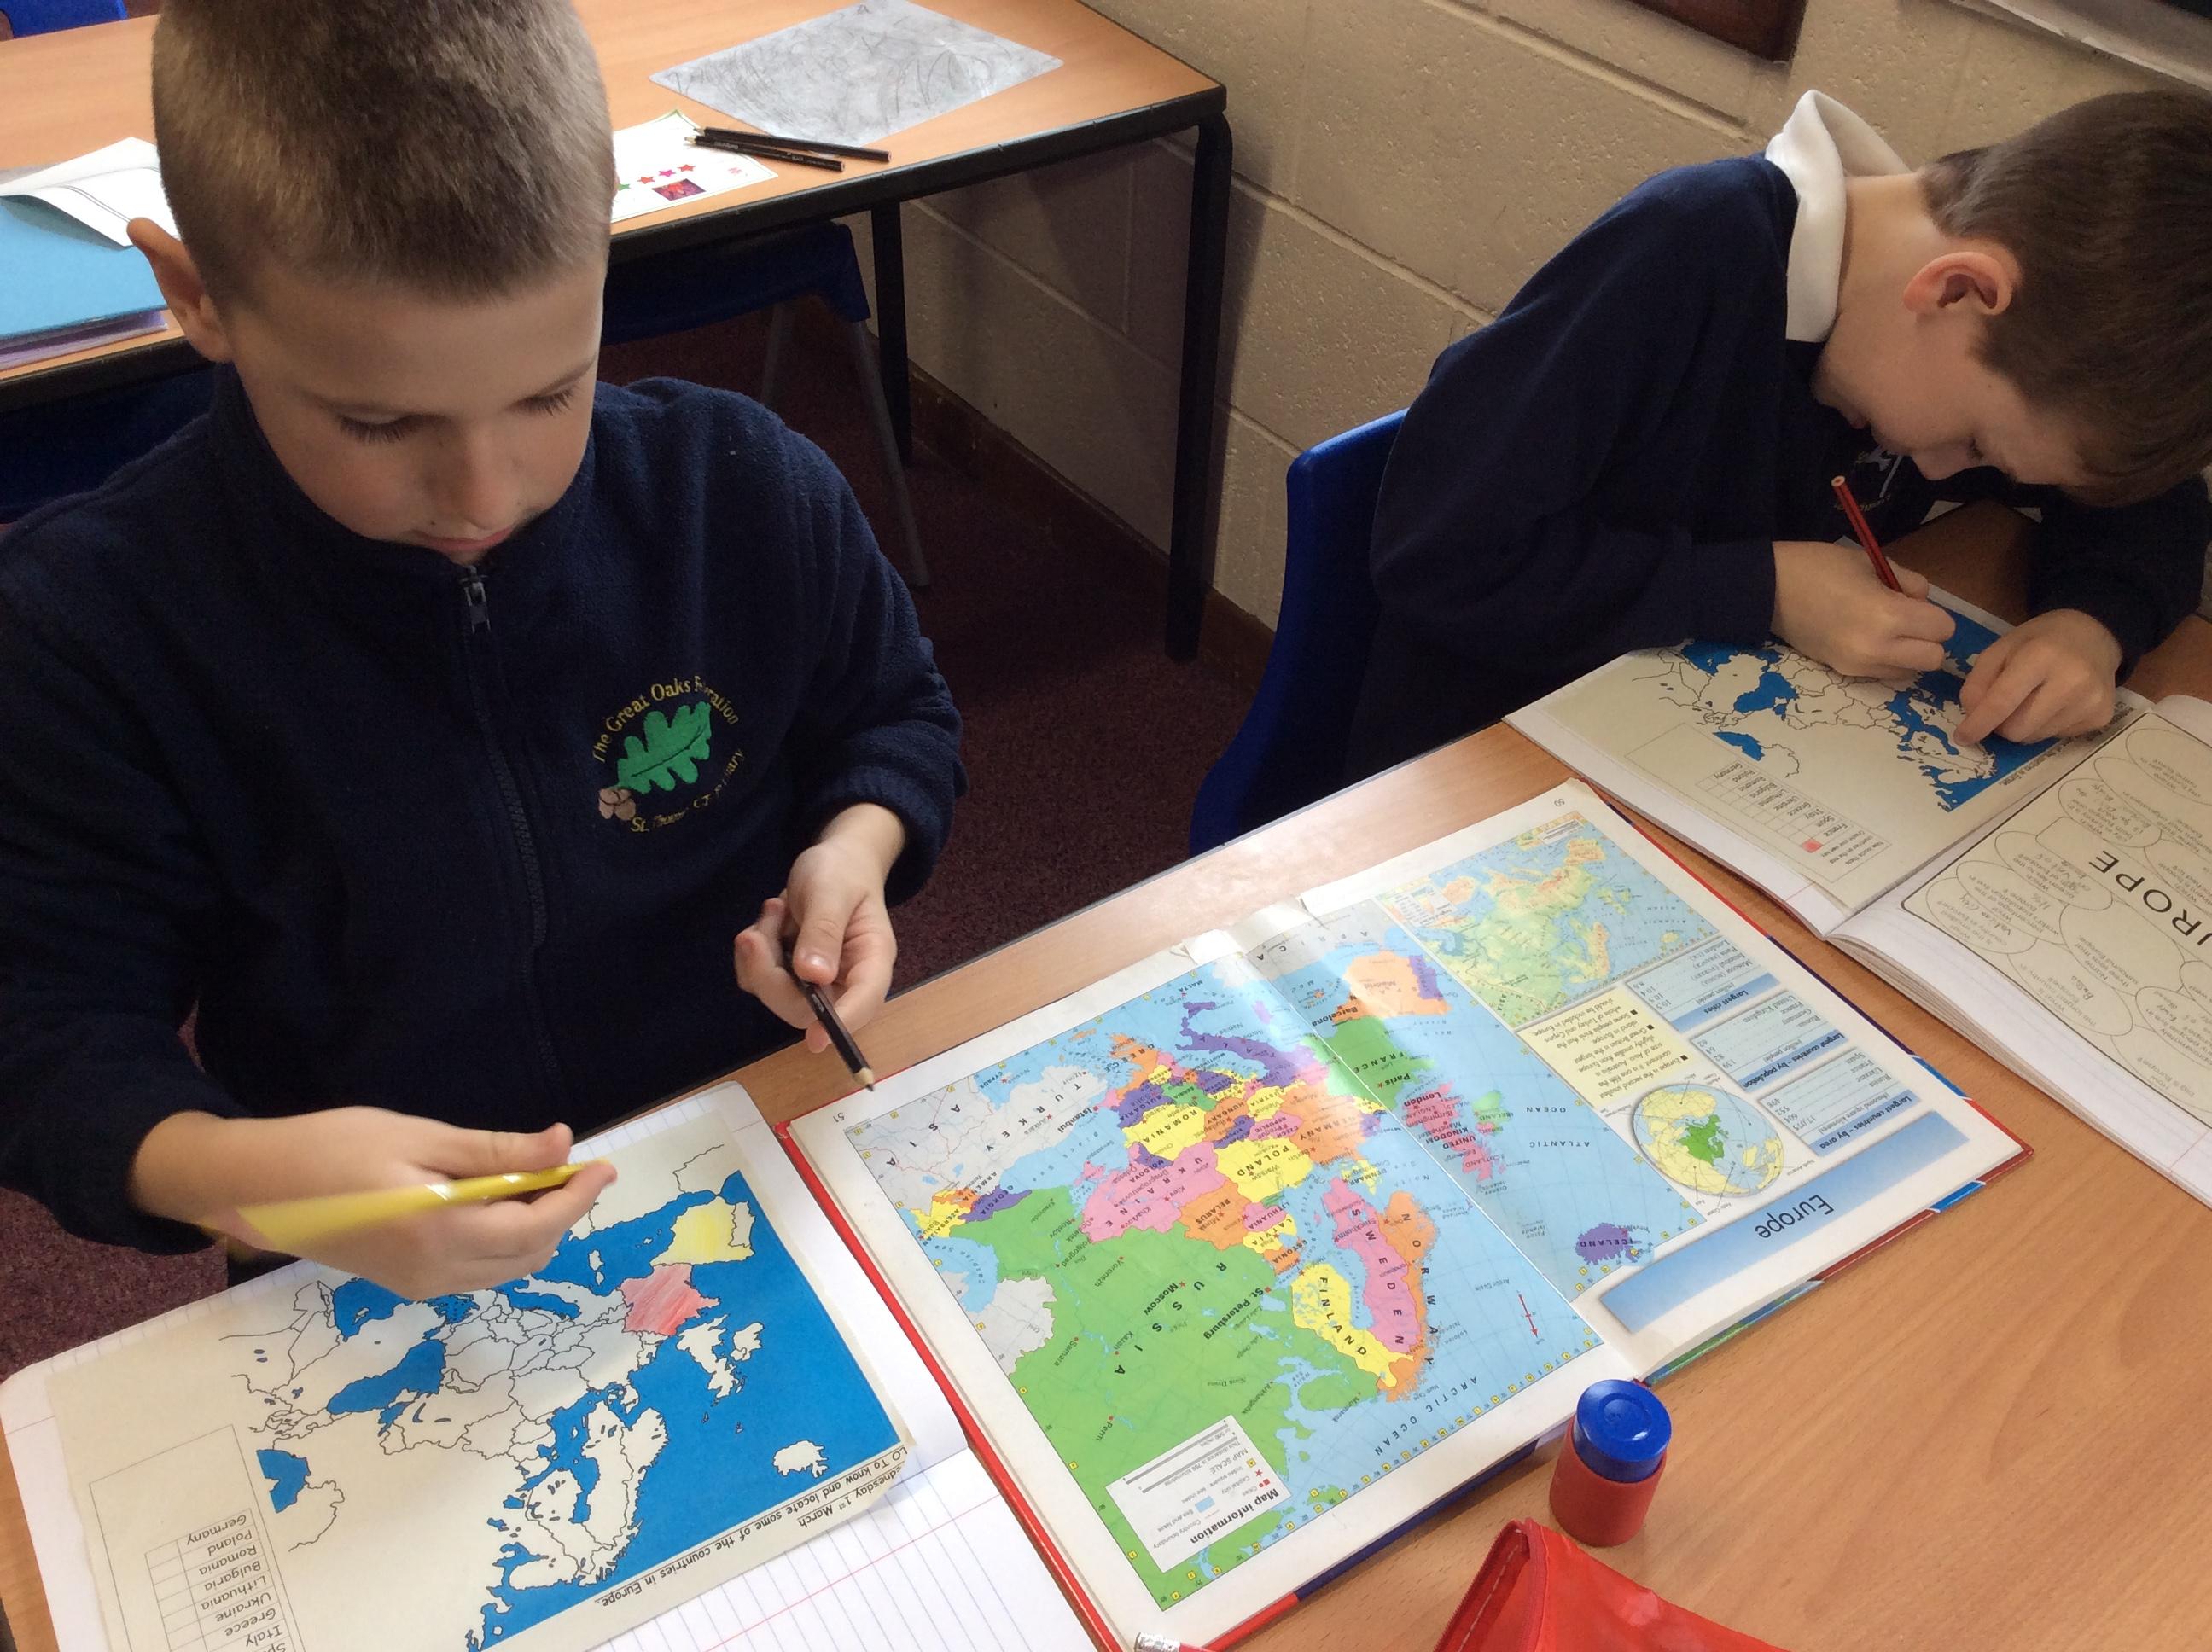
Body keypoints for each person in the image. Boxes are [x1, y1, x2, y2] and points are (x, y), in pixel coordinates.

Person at [0, 0, 963, 1299]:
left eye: (550, 392)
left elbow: (893, 712)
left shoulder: (737, 487)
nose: (483, 494)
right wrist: (238, 1177)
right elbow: (42, 1027)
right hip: (367, 1245)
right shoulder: (87, 629)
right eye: (380, 423)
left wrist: (857, 846)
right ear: (195, 297)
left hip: (739, 1151)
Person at [1348, 90, 2212, 777]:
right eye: (1981, 445)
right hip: (1487, 771)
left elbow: (2155, 502)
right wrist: (1764, 587)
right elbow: (1440, 553)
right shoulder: (1687, 250)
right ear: (1956, 291)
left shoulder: (1995, 350)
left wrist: (2095, 624)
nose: (1956, 471)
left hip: (1716, 767)